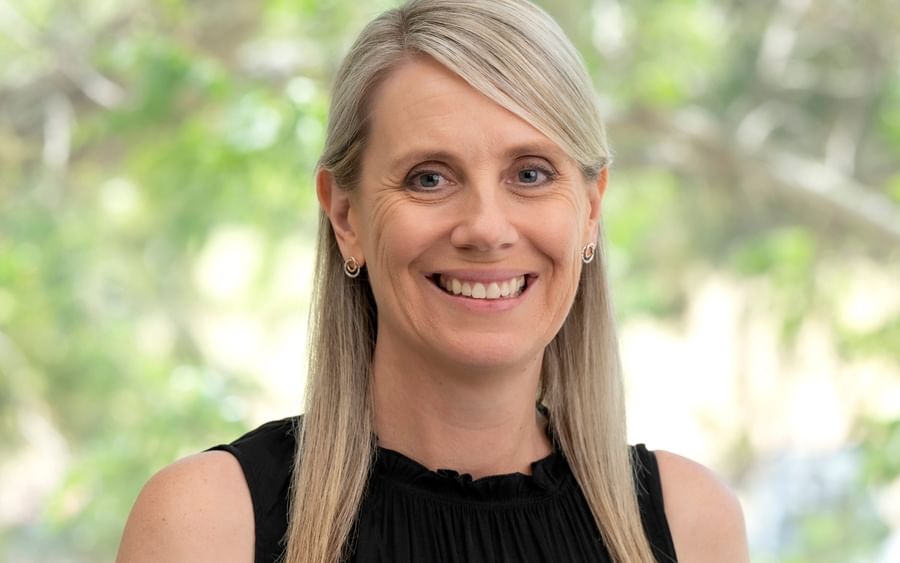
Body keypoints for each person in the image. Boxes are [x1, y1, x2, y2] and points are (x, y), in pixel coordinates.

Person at [116, 1, 749, 562]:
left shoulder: (691, 527)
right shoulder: (205, 525)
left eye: (530, 174)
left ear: (591, 207)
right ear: (345, 215)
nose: (485, 228)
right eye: (429, 177)